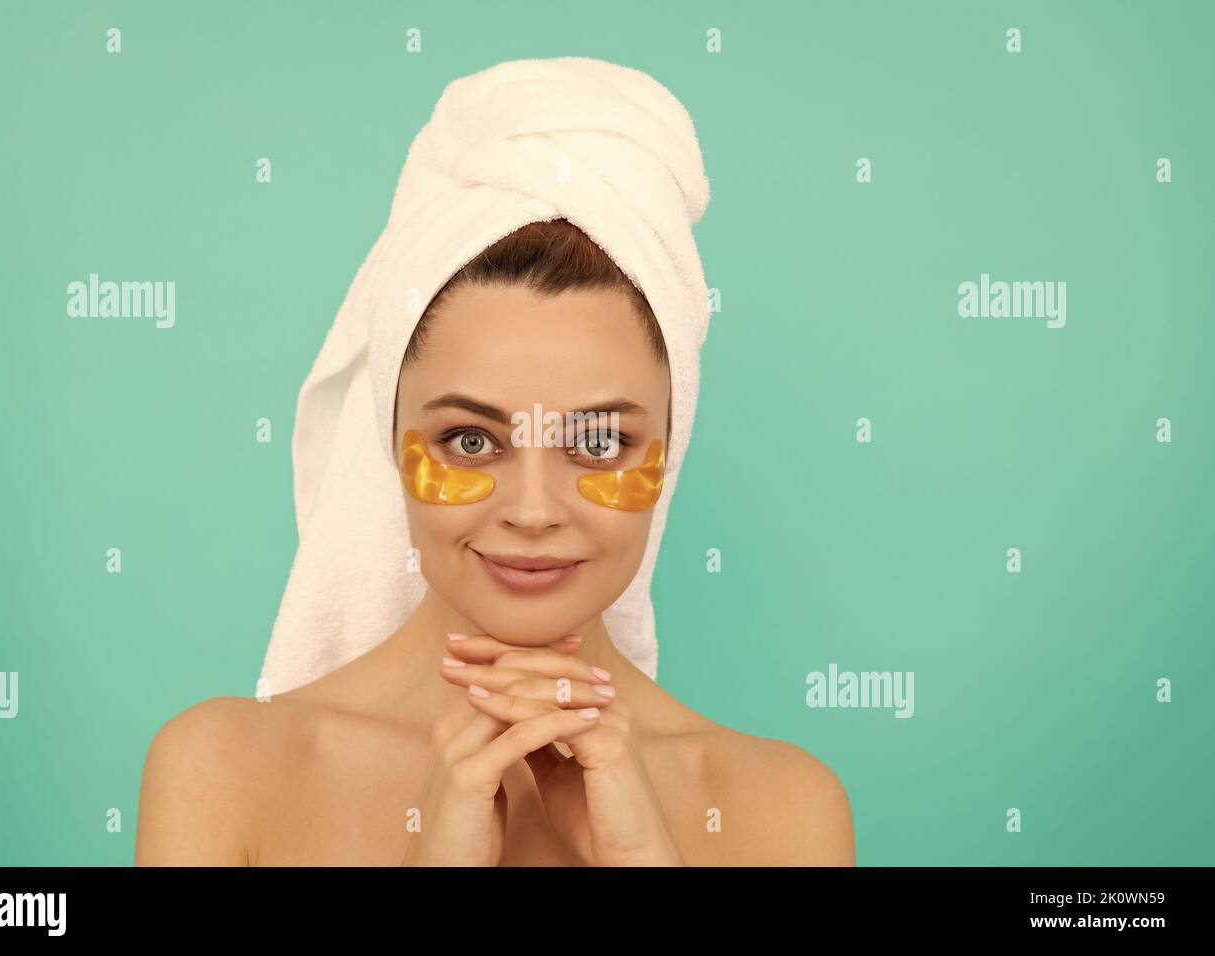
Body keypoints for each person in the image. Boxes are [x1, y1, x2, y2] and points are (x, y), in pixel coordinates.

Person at [134, 219, 855, 866]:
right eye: (471, 440)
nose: (534, 511)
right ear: (390, 444)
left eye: (599, 441)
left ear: (669, 450)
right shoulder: (224, 771)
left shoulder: (783, 806)